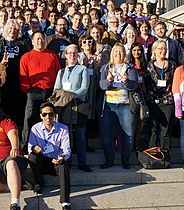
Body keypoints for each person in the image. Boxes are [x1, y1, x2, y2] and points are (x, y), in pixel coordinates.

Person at [28, 102, 72, 210]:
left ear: (54, 115)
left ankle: (65, 203)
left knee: (64, 165)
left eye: (50, 114)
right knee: (32, 157)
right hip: (42, 160)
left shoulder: (63, 129)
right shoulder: (35, 128)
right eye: (45, 114)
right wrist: (34, 148)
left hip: (55, 161)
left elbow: (66, 149)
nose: (48, 117)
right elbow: (29, 146)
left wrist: (62, 156)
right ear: (41, 115)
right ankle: (39, 182)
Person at [20, 31, 61, 152]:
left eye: (42, 39)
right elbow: (23, 75)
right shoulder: (26, 57)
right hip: (34, 92)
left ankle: (49, 145)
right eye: (37, 39)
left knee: (49, 118)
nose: (40, 41)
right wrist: (28, 90)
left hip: (50, 92)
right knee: (29, 118)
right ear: (32, 41)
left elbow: (58, 73)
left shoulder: (52, 56)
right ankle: (25, 143)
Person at [99, 44, 138, 169]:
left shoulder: (130, 68)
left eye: (121, 52)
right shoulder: (106, 68)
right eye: (116, 52)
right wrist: (109, 80)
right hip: (109, 105)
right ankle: (109, 159)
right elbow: (102, 85)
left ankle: (125, 158)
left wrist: (126, 81)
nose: (118, 54)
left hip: (125, 105)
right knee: (107, 133)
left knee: (128, 133)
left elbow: (133, 85)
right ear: (112, 54)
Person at [53, 44, 91, 172]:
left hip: (78, 105)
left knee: (80, 135)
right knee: (66, 135)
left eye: (75, 53)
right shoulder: (61, 71)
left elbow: (84, 88)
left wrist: (71, 95)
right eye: (70, 53)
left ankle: (82, 162)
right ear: (66, 55)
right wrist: (64, 98)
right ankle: (67, 161)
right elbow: (56, 89)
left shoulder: (82, 69)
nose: (72, 55)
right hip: (65, 107)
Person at [0, 19, 29, 125]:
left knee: (17, 108)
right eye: (10, 28)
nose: (12, 31)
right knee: (3, 107)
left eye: (15, 29)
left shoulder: (22, 45)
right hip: (3, 82)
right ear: (6, 29)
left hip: (18, 81)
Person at [144, 40, 176, 157]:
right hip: (153, 101)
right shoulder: (149, 66)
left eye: (164, 49)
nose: (163, 51)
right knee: (153, 129)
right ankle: (153, 154)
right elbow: (146, 84)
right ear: (155, 50)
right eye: (160, 48)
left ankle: (165, 154)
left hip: (168, 101)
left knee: (166, 129)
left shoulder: (172, 65)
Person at [128, 42, 148, 151]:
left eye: (138, 50)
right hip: (131, 94)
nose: (136, 52)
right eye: (134, 50)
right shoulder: (128, 64)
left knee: (141, 120)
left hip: (142, 93)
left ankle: (138, 144)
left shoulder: (146, 65)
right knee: (132, 120)